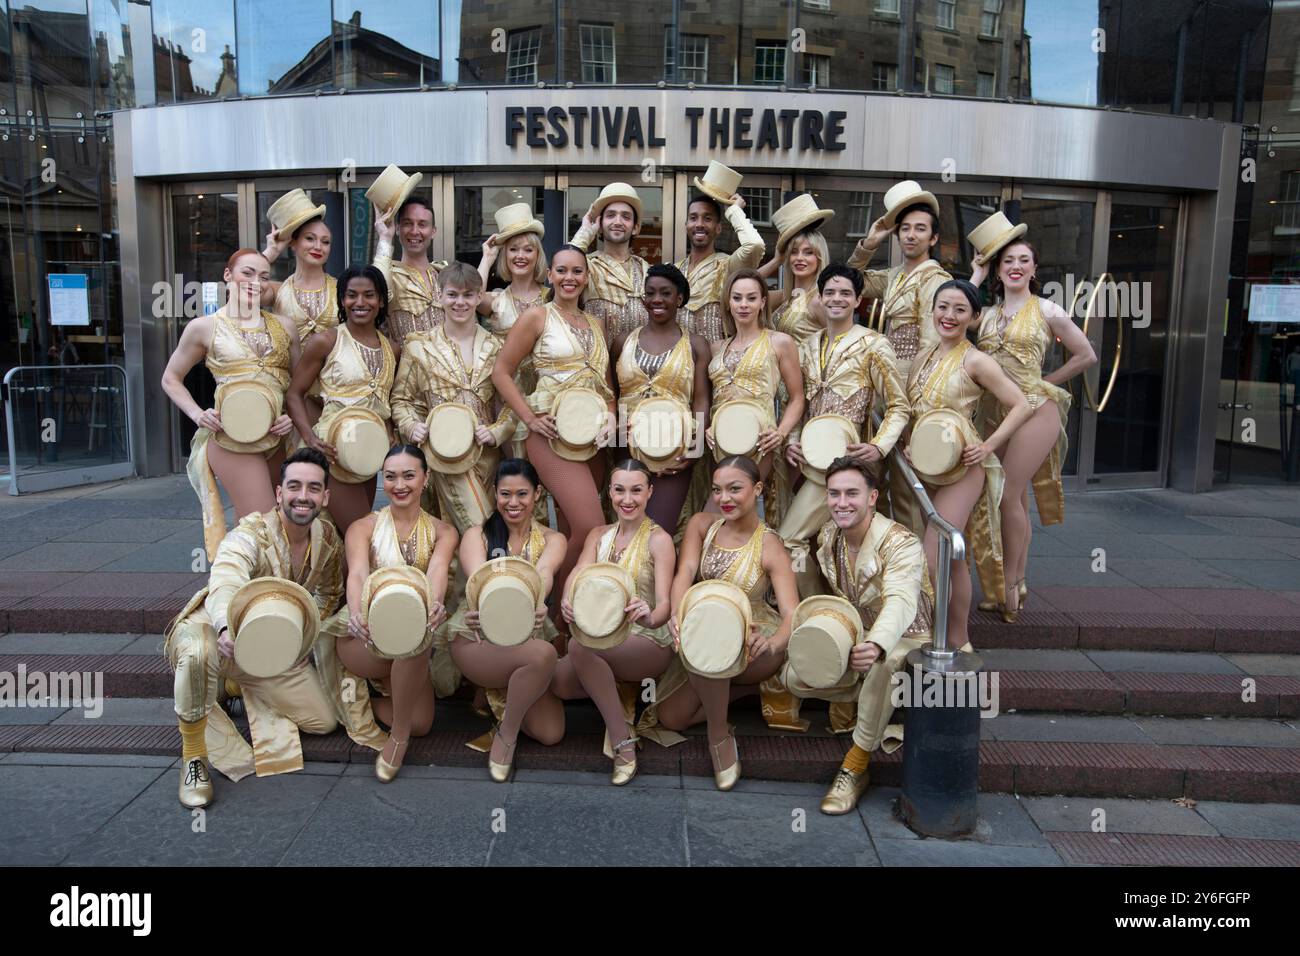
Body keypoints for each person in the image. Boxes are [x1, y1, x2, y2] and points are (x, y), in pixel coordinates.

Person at [164, 447, 341, 808]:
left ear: (325, 496)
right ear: (279, 494)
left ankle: (227, 686)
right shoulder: (251, 534)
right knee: (198, 654)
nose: (303, 496)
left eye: (312, 488)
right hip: (215, 633)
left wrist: (302, 640)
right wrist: (227, 627)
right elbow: (226, 579)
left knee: (322, 722)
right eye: (294, 486)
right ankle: (194, 757)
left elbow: (329, 594)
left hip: (269, 647)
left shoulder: (328, 539)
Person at [781, 458, 933, 815]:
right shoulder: (829, 536)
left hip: (907, 637)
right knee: (793, 676)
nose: (841, 502)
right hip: (857, 633)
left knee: (887, 663)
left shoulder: (901, 542)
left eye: (852, 493)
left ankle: (855, 764)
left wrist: (877, 644)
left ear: (872, 498)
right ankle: (869, 700)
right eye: (834, 494)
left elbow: (900, 601)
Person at [639, 456, 800, 791]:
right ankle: (739, 693)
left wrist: (771, 645)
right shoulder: (702, 524)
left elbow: (791, 614)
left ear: (757, 489)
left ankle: (719, 737)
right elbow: (684, 572)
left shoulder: (770, 545)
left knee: (710, 639)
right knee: (671, 717)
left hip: (752, 641)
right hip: (701, 623)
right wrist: (677, 614)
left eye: (734, 489)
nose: (724, 498)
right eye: (717, 490)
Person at [971, 238, 1097, 618]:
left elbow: (1086, 354)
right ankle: (1015, 582)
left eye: (1024, 260)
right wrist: (975, 275)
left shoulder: (1047, 309)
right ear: (998, 269)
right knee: (1010, 497)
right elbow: (954, 310)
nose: (1016, 266)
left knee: (1008, 495)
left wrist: (1047, 383)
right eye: (1008, 260)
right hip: (993, 413)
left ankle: (1009, 586)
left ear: (1034, 269)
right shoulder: (986, 314)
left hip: (1033, 410)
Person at [903, 280, 1031, 650]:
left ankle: (948, 639)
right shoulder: (924, 355)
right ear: (933, 311)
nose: (949, 316)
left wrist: (988, 445)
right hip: (924, 469)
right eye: (943, 307)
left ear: (974, 317)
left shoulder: (976, 359)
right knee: (952, 560)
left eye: (960, 309)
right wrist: (911, 444)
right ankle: (956, 638)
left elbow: (1021, 404)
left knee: (934, 554)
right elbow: (916, 412)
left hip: (962, 470)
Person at [491, 244, 616, 605]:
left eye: (577, 271)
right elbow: (501, 372)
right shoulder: (537, 317)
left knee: (573, 528)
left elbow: (605, 386)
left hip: (592, 441)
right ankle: (557, 611)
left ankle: (570, 620)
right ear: (550, 275)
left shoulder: (596, 325)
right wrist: (529, 418)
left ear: (587, 278)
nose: (569, 278)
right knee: (592, 527)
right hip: (551, 438)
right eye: (562, 270)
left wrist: (611, 415)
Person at [779, 264, 910, 596]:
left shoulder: (873, 345)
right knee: (815, 542)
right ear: (820, 298)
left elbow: (899, 405)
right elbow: (797, 402)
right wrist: (792, 440)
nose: (836, 299)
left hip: (849, 464)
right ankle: (818, 608)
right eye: (830, 293)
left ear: (857, 300)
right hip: (809, 463)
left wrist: (879, 447)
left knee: (791, 538)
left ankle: (818, 611)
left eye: (845, 293)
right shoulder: (806, 346)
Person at [162, 249, 300, 560]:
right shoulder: (204, 327)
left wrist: (290, 416)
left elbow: (298, 386)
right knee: (265, 523)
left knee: (263, 523)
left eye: (264, 276)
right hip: (231, 439)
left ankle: (244, 592)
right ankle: (254, 596)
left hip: (277, 439)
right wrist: (198, 414)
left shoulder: (285, 326)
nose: (256, 282)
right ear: (228, 276)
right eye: (247, 273)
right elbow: (171, 378)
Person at [552, 459, 676, 785]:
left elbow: (665, 604)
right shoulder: (598, 535)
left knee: (579, 649)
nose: (628, 499)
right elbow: (578, 572)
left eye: (637, 490)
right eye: (620, 490)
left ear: (650, 492)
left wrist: (650, 616)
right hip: (602, 638)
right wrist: (567, 598)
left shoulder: (659, 540)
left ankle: (623, 740)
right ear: (609, 493)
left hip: (647, 639)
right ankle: (615, 692)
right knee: (560, 683)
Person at [340, 445, 458, 781]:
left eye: (409, 475)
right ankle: (397, 738)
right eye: (390, 477)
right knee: (413, 635)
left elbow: (437, 571)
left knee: (422, 723)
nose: (399, 484)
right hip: (362, 636)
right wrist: (357, 611)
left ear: (426, 478)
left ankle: (352, 703)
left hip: (413, 636)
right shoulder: (362, 527)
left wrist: (433, 604)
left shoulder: (443, 531)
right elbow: (358, 573)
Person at [446, 459, 567, 781]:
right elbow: (478, 580)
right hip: (477, 637)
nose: (513, 503)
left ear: (538, 494)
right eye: (505, 494)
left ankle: (502, 699)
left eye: (522, 494)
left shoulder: (553, 539)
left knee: (551, 733)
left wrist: (537, 602)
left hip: (523, 641)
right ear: (494, 494)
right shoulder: (477, 535)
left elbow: (543, 574)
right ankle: (507, 736)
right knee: (545, 654)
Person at [846, 182, 953, 535]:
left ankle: (918, 578)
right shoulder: (894, 276)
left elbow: (930, 345)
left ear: (934, 238)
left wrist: (910, 404)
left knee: (908, 486)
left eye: (920, 229)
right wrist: (870, 243)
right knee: (881, 479)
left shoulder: (935, 279)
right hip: (885, 386)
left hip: (907, 393)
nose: (911, 235)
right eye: (905, 229)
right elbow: (851, 282)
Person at [391, 262, 518, 532]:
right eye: (452, 294)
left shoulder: (497, 347)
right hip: (439, 456)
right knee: (474, 531)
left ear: (478, 297)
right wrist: (411, 426)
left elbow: (512, 403)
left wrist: (497, 431)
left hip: (485, 456)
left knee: (469, 534)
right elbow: (401, 400)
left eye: (468, 295)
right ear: (440, 297)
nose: (460, 302)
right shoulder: (418, 346)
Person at [287, 265, 396, 539]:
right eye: (352, 295)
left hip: (369, 455)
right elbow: (294, 393)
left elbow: (389, 401)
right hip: (332, 453)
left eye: (369, 295)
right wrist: (309, 437)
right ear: (342, 300)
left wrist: (392, 433)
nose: (360, 302)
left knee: (345, 538)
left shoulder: (394, 348)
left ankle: (343, 583)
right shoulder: (325, 341)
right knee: (364, 535)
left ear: (381, 300)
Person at [610, 263, 711, 532]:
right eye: (651, 293)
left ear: (679, 299)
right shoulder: (622, 342)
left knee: (659, 528)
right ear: (643, 298)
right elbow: (612, 393)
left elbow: (701, 399)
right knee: (626, 526)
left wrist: (697, 444)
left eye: (666, 293)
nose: (657, 299)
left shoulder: (695, 344)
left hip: (674, 448)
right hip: (625, 446)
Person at [706, 268, 804, 528]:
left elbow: (797, 398)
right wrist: (707, 427)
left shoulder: (780, 342)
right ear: (728, 302)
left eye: (751, 298)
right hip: (720, 447)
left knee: (735, 513)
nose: (744, 305)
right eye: (737, 298)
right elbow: (712, 398)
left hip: (761, 444)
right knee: (723, 521)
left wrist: (781, 433)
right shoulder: (717, 347)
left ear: (763, 302)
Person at [477, 203, 549, 451]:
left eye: (528, 249)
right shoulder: (496, 301)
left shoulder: (552, 297)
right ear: (505, 255)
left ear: (537, 255)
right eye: (513, 249)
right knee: (516, 472)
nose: (521, 255)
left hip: (546, 397)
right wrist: (487, 258)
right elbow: (471, 296)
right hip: (508, 399)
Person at [674, 192, 764, 341]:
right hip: (677, 360)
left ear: (718, 228)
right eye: (693, 218)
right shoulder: (674, 271)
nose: (699, 224)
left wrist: (735, 211)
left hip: (716, 360)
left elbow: (755, 246)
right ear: (686, 226)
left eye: (707, 219)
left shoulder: (728, 265)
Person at [569, 182, 651, 339]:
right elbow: (564, 271)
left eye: (626, 217)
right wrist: (585, 233)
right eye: (610, 215)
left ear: (635, 227)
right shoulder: (588, 266)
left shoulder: (647, 270)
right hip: (596, 361)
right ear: (599, 225)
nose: (618, 222)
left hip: (640, 362)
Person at [758, 194, 834, 344]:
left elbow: (839, 346)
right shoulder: (784, 297)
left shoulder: (818, 301)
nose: (799, 257)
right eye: (794, 251)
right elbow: (741, 289)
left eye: (808, 252)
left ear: (819, 258)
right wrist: (776, 260)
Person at [373, 196, 445, 350]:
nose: (415, 231)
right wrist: (385, 238)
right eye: (408, 223)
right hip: (406, 371)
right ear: (398, 229)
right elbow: (377, 291)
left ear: (433, 231)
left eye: (422, 224)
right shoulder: (390, 275)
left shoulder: (445, 275)